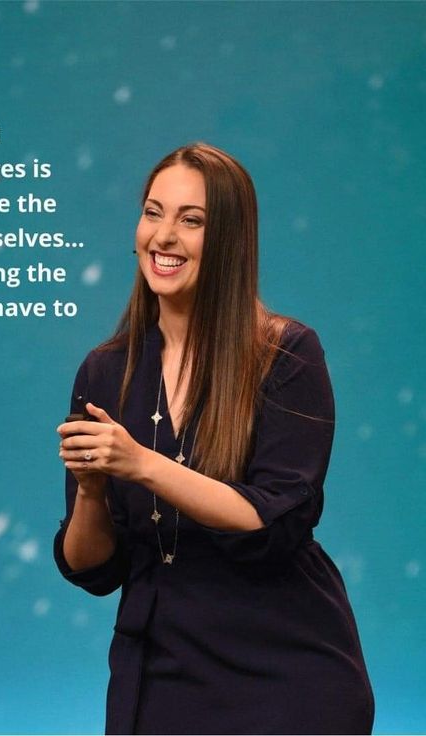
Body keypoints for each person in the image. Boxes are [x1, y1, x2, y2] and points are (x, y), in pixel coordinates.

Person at [54, 143, 374, 735]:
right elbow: (91, 568)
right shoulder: (104, 372)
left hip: (285, 684)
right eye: (153, 213)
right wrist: (93, 493)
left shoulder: (287, 355)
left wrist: (141, 464)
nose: (164, 236)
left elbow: (271, 524)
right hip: (155, 684)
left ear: (229, 239)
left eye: (191, 220)